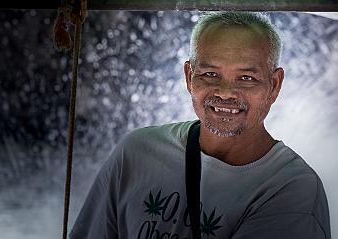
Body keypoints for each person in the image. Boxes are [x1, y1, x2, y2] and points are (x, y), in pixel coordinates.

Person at [69, 11, 331, 239]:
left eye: (246, 77)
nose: (226, 92)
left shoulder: (291, 189)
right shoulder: (136, 153)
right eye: (210, 74)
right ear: (188, 76)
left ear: (274, 85)